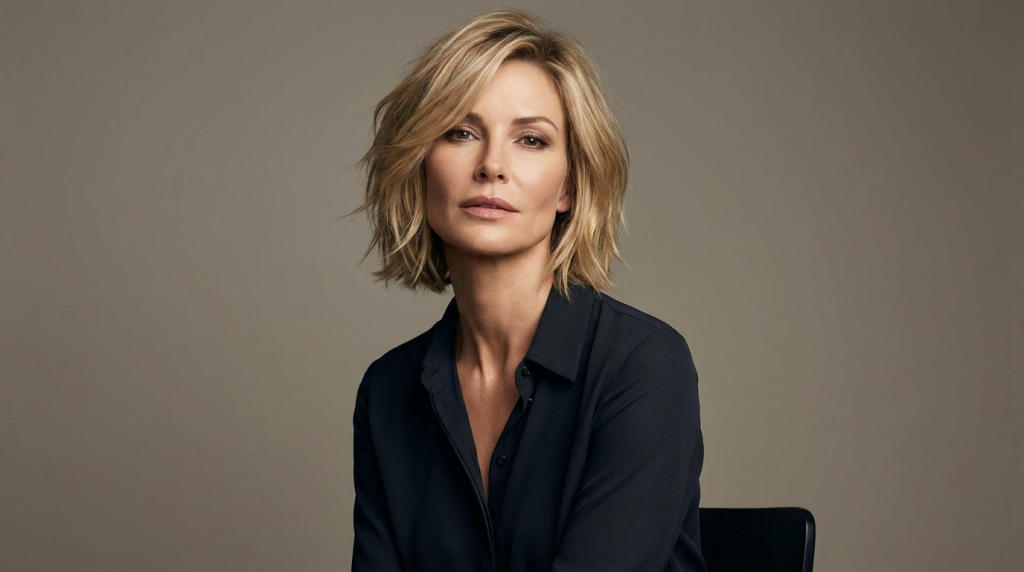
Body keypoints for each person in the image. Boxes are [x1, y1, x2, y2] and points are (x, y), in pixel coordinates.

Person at [353, 10, 704, 572]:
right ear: (420, 165)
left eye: (531, 140)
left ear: (568, 186)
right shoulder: (388, 391)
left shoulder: (643, 366)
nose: (492, 165)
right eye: (461, 132)